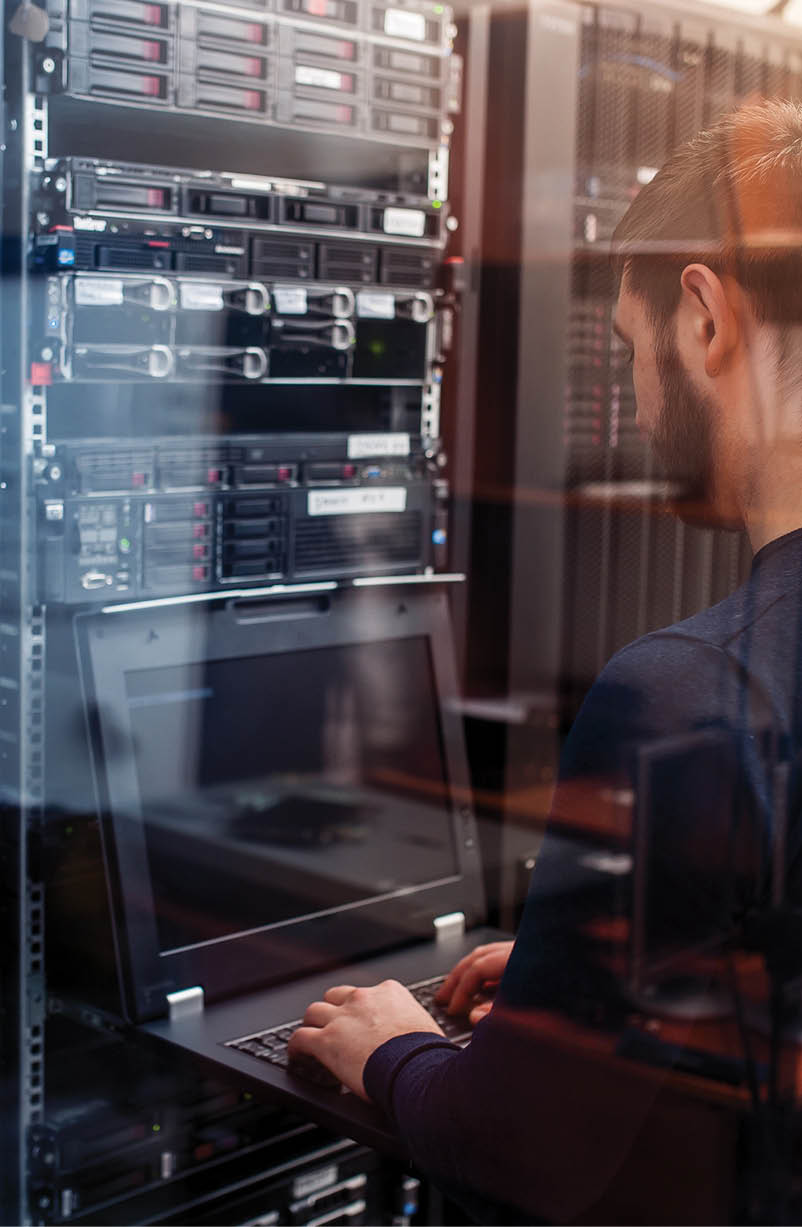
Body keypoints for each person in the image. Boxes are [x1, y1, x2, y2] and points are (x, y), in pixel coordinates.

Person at [288, 100, 802, 1219]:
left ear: (705, 317)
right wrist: (579, 975)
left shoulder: (689, 693)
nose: (637, 399)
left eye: (630, 349)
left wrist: (393, 1047)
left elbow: (519, 1150)